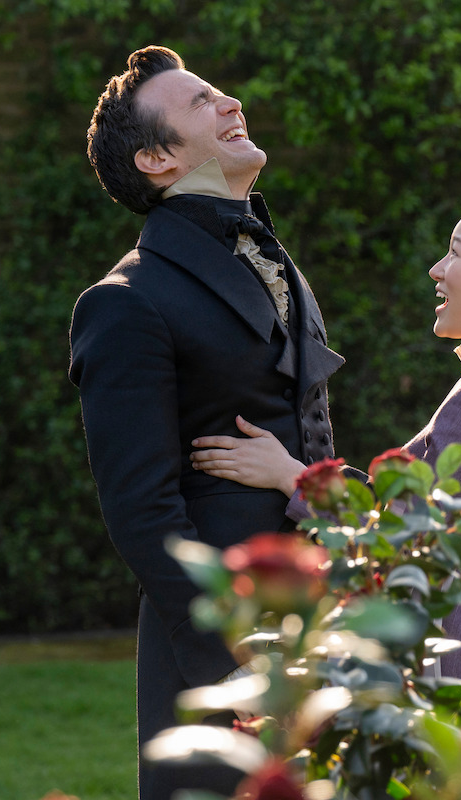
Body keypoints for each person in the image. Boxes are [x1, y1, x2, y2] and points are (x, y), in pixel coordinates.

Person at [68, 46, 346, 800]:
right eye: (200, 103)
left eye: (221, 92)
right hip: (218, 652)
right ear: (157, 158)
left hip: (321, 630)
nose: (230, 104)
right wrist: (234, 666)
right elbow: (142, 512)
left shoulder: (274, 258)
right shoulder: (124, 301)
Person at [190, 166, 461, 677]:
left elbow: (400, 540)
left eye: (457, 252)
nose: (437, 269)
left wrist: (286, 474)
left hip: (456, 656)